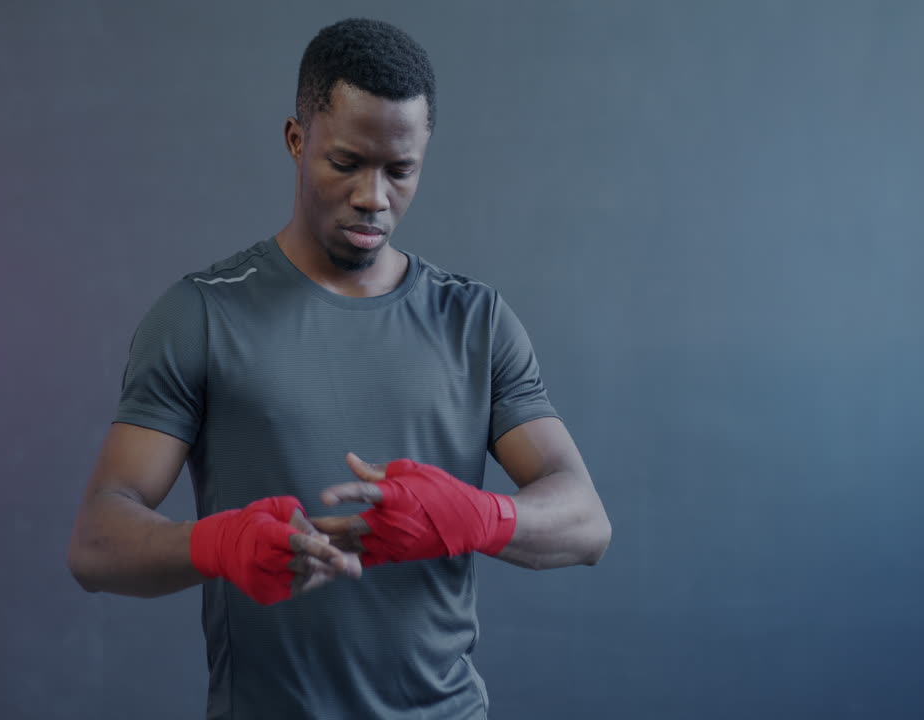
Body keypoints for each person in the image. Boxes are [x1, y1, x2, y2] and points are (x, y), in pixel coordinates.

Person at [66, 17, 611, 719]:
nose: (374, 197)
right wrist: (216, 542)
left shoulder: (476, 323)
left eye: (400, 170)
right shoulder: (201, 315)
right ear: (297, 140)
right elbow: (96, 541)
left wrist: (479, 517)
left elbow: (587, 523)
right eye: (347, 163)